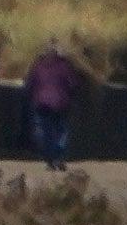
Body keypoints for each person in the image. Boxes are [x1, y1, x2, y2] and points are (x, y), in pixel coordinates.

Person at [22, 40, 83, 172]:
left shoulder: (37, 65)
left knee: (45, 131)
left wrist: (31, 97)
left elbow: (28, 83)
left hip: (41, 103)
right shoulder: (65, 66)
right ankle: (59, 156)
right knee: (61, 131)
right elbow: (73, 85)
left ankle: (49, 159)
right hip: (62, 103)